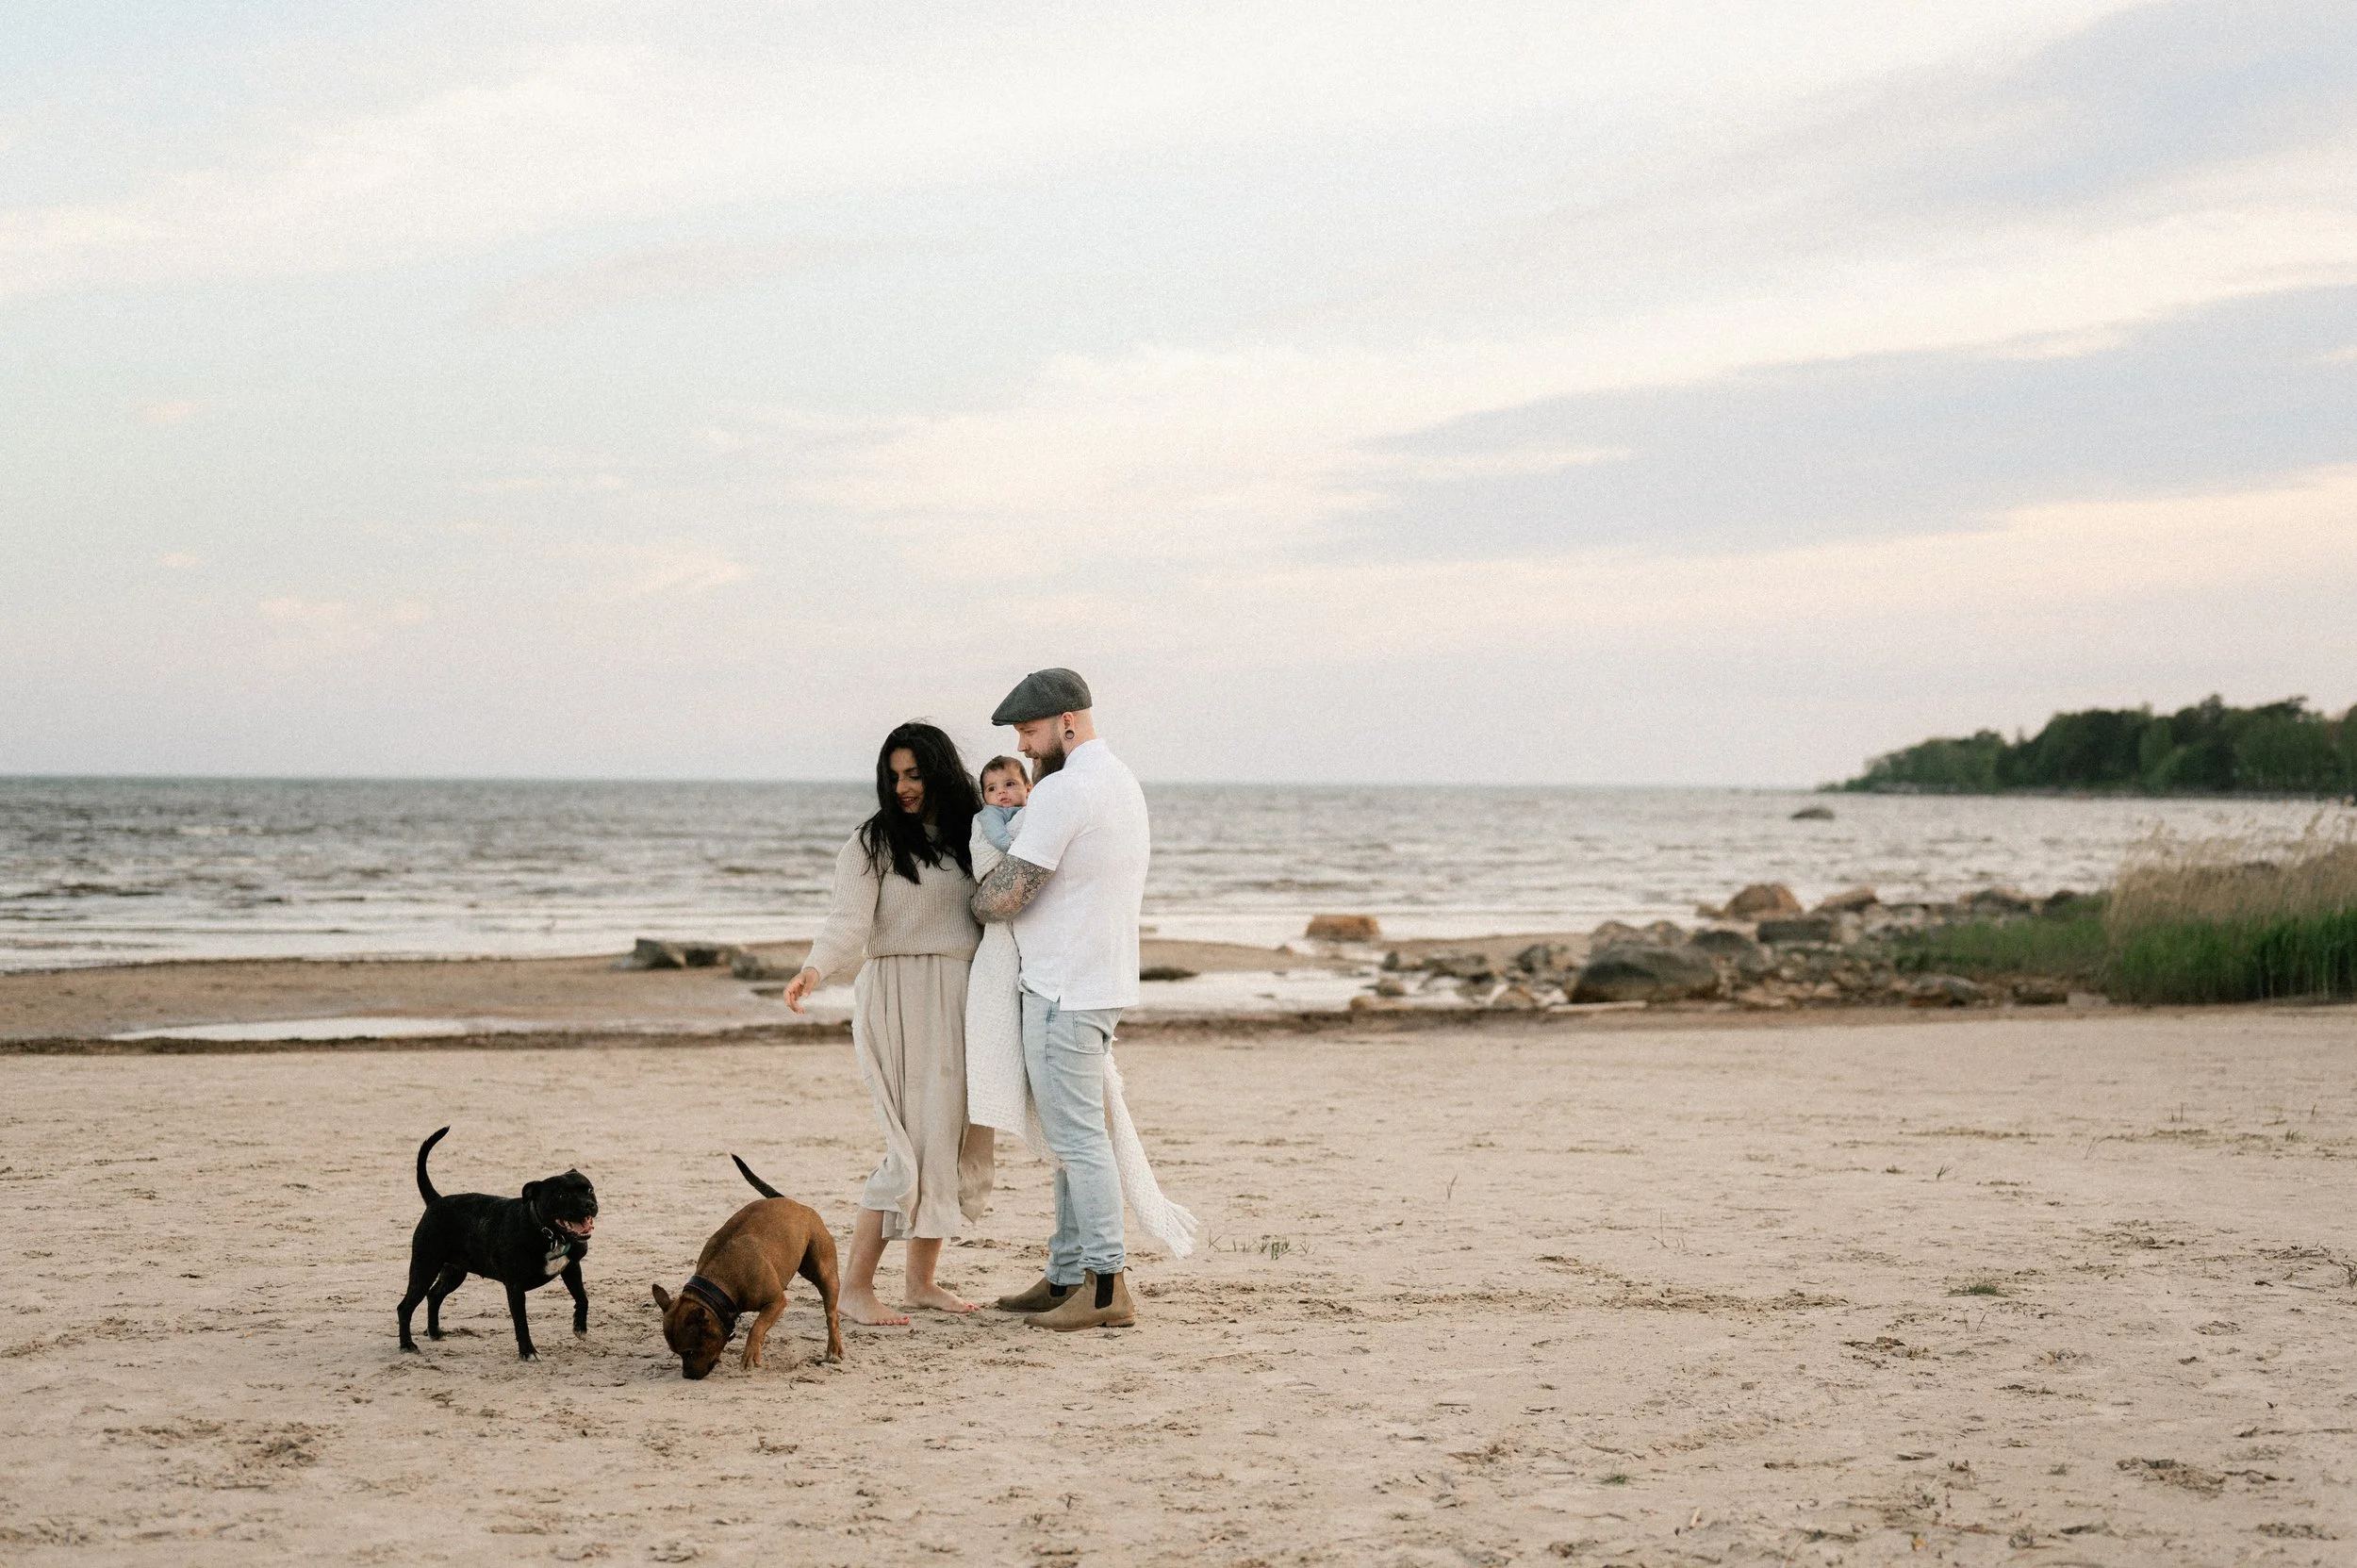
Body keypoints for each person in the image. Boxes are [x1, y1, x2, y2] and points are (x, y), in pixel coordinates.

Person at [969, 668, 1163, 1331]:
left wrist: (968, 894)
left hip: (1062, 990)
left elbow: (1006, 894)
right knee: (1072, 1138)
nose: (1023, 748)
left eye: (1028, 731)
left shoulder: (1065, 791)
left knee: (1079, 1142)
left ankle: (1106, 1288)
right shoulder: (1120, 781)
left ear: (1066, 723)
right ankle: (1065, 1274)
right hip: (1095, 982)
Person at [783, 721, 993, 1325]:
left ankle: (920, 1284)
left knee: (947, 1143)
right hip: (896, 999)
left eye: (914, 775)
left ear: (939, 773)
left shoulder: (971, 834)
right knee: (907, 1149)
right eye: (893, 776)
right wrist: (814, 970)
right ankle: (854, 1288)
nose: (902, 787)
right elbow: (848, 921)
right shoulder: (873, 842)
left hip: (962, 998)